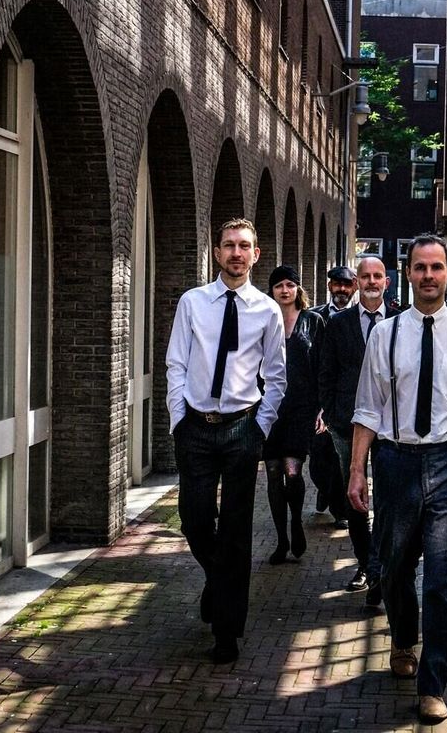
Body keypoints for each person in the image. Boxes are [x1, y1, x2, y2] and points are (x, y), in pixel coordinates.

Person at [348, 233, 447, 724]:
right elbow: (368, 408)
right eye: (420, 267)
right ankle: (402, 636)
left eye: (437, 267)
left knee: (443, 576)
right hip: (395, 461)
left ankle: (433, 684)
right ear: (407, 273)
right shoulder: (385, 334)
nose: (428, 275)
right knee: (392, 566)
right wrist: (357, 470)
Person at [165, 218, 286, 665]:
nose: (236, 253)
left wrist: (260, 428)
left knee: (235, 530)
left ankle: (226, 631)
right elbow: (176, 363)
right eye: (229, 245)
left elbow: (276, 377)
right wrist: (179, 420)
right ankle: (218, 582)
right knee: (194, 519)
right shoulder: (192, 302)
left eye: (244, 246)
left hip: (241, 427)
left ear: (256, 254)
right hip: (195, 426)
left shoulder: (267, 311)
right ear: (216, 252)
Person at [316, 255, 395, 601]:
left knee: (389, 496)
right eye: (366, 276)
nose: (372, 282)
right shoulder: (338, 324)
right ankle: (366, 564)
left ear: (386, 282)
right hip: (348, 423)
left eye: (378, 276)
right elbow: (326, 372)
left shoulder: (402, 320)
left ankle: (382, 564)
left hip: (392, 426)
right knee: (355, 494)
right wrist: (333, 415)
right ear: (357, 282)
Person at [262, 265, 325, 565]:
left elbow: (324, 366)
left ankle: (296, 522)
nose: (284, 290)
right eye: (279, 286)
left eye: (290, 285)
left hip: (302, 407)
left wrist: (322, 407)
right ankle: (281, 539)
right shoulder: (264, 320)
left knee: (292, 471)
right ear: (272, 290)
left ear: (298, 289)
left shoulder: (313, 322)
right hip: (270, 407)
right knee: (273, 472)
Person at [309, 265, 359, 524]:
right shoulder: (313, 316)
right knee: (318, 458)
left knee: (341, 458)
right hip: (317, 397)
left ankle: (340, 511)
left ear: (354, 287)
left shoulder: (357, 319)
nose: (341, 289)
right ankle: (324, 489)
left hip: (343, 401)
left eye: (346, 284)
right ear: (329, 286)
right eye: (337, 284)